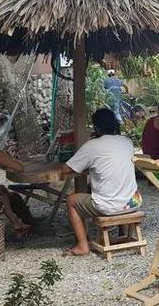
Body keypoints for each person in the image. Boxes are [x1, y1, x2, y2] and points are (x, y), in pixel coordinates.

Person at [62, 108, 141, 257]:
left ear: (96, 127)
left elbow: (66, 169)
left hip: (108, 206)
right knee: (115, 186)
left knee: (71, 200)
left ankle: (82, 246)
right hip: (133, 202)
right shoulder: (127, 142)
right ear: (115, 125)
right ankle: (123, 232)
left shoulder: (92, 146)